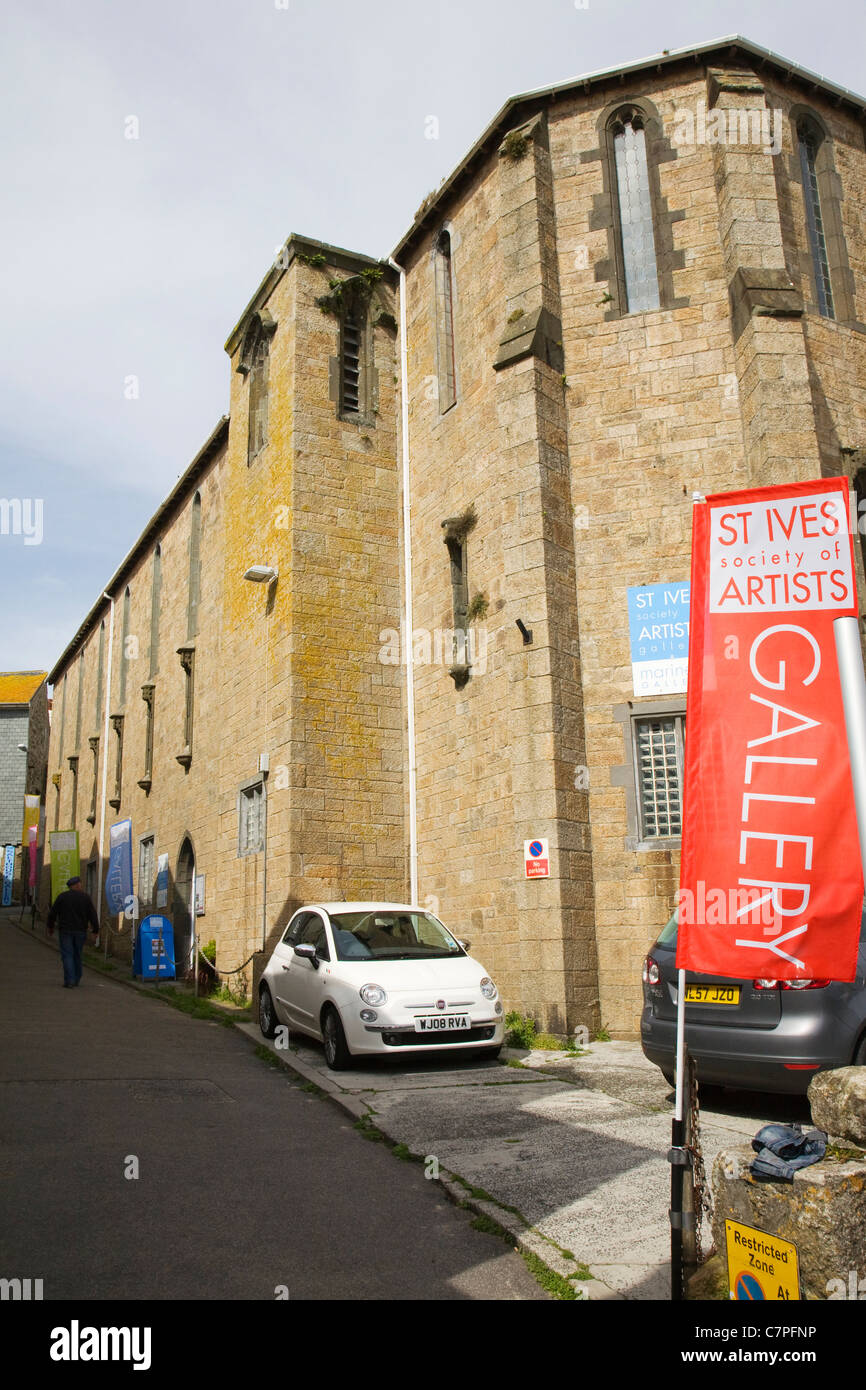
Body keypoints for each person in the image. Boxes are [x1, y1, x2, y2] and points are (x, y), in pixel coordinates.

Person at [46, 876, 100, 988]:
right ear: (76, 885)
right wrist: (95, 929)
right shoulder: (85, 898)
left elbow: (53, 913)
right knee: (77, 954)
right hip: (80, 931)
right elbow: (92, 914)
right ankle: (76, 979)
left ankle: (69, 980)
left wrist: (50, 926)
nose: (81, 886)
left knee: (67, 955)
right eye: (80, 884)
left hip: (65, 930)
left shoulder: (62, 897)